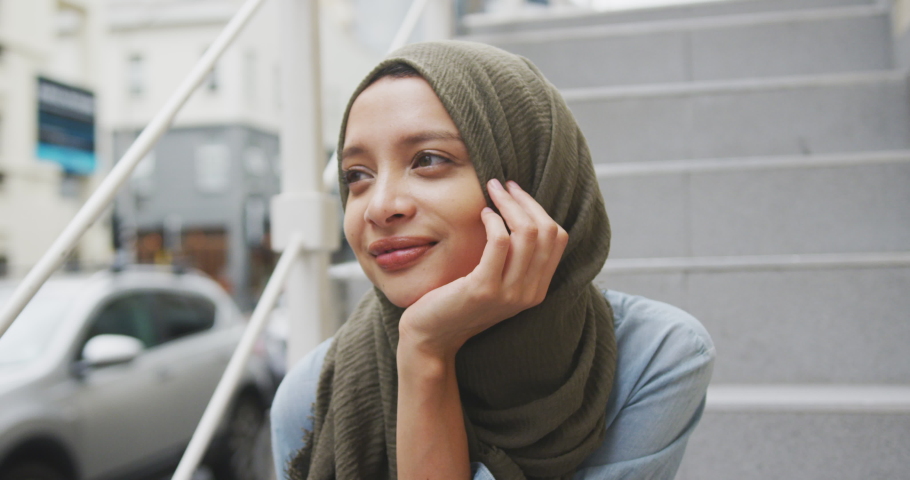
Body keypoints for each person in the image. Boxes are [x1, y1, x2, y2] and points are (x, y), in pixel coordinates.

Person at [271, 41, 715, 480]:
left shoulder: (653, 357)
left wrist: (426, 349)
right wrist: (426, 350)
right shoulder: (312, 397)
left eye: (428, 160)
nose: (378, 206)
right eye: (357, 176)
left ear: (533, 179)